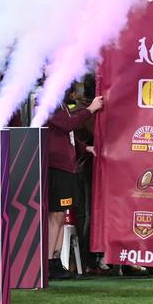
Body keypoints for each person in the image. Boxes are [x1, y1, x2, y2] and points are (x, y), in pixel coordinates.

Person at [46, 90, 103, 280]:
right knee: (56, 215)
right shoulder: (47, 100)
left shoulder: (60, 104)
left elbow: (66, 132)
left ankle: (55, 261)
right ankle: (48, 262)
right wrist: (91, 109)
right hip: (56, 166)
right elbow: (67, 125)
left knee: (61, 215)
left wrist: (85, 147)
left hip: (66, 167)